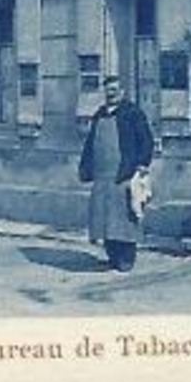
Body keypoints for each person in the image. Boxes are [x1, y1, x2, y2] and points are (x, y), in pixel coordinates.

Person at [78, 76, 157, 272]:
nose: (111, 94)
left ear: (122, 92)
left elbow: (146, 139)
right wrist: (86, 168)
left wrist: (142, 163)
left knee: (124, 218)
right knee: (104, 219)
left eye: (114, 90)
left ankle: (126, 258)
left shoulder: (133, 113)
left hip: (124, 173)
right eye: (108, 90)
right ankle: (112, 255)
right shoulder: (99, 115)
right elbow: (90, 144)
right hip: (102, 175)